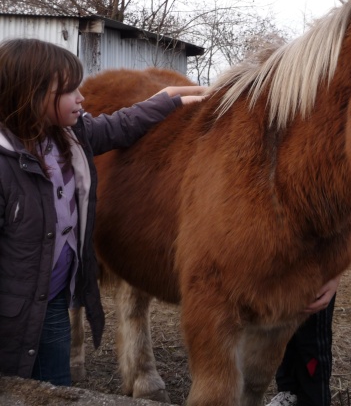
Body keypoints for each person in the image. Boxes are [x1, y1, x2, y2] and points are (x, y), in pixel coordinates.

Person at [0, 38, 207, 386]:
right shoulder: (4, 166)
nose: (82, 97)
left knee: (55, 386)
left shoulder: (71, 136)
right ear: (31, 97)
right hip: (10, 311)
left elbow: (120, 125)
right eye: (69, 91)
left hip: (53, 300)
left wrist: (165, 100)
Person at [267, 275, 341, 406]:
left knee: (312, 344)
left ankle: (314, 400)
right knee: (283, 334)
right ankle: (288, 392)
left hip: (315, 276)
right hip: (281, 275)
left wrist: (333, 276)